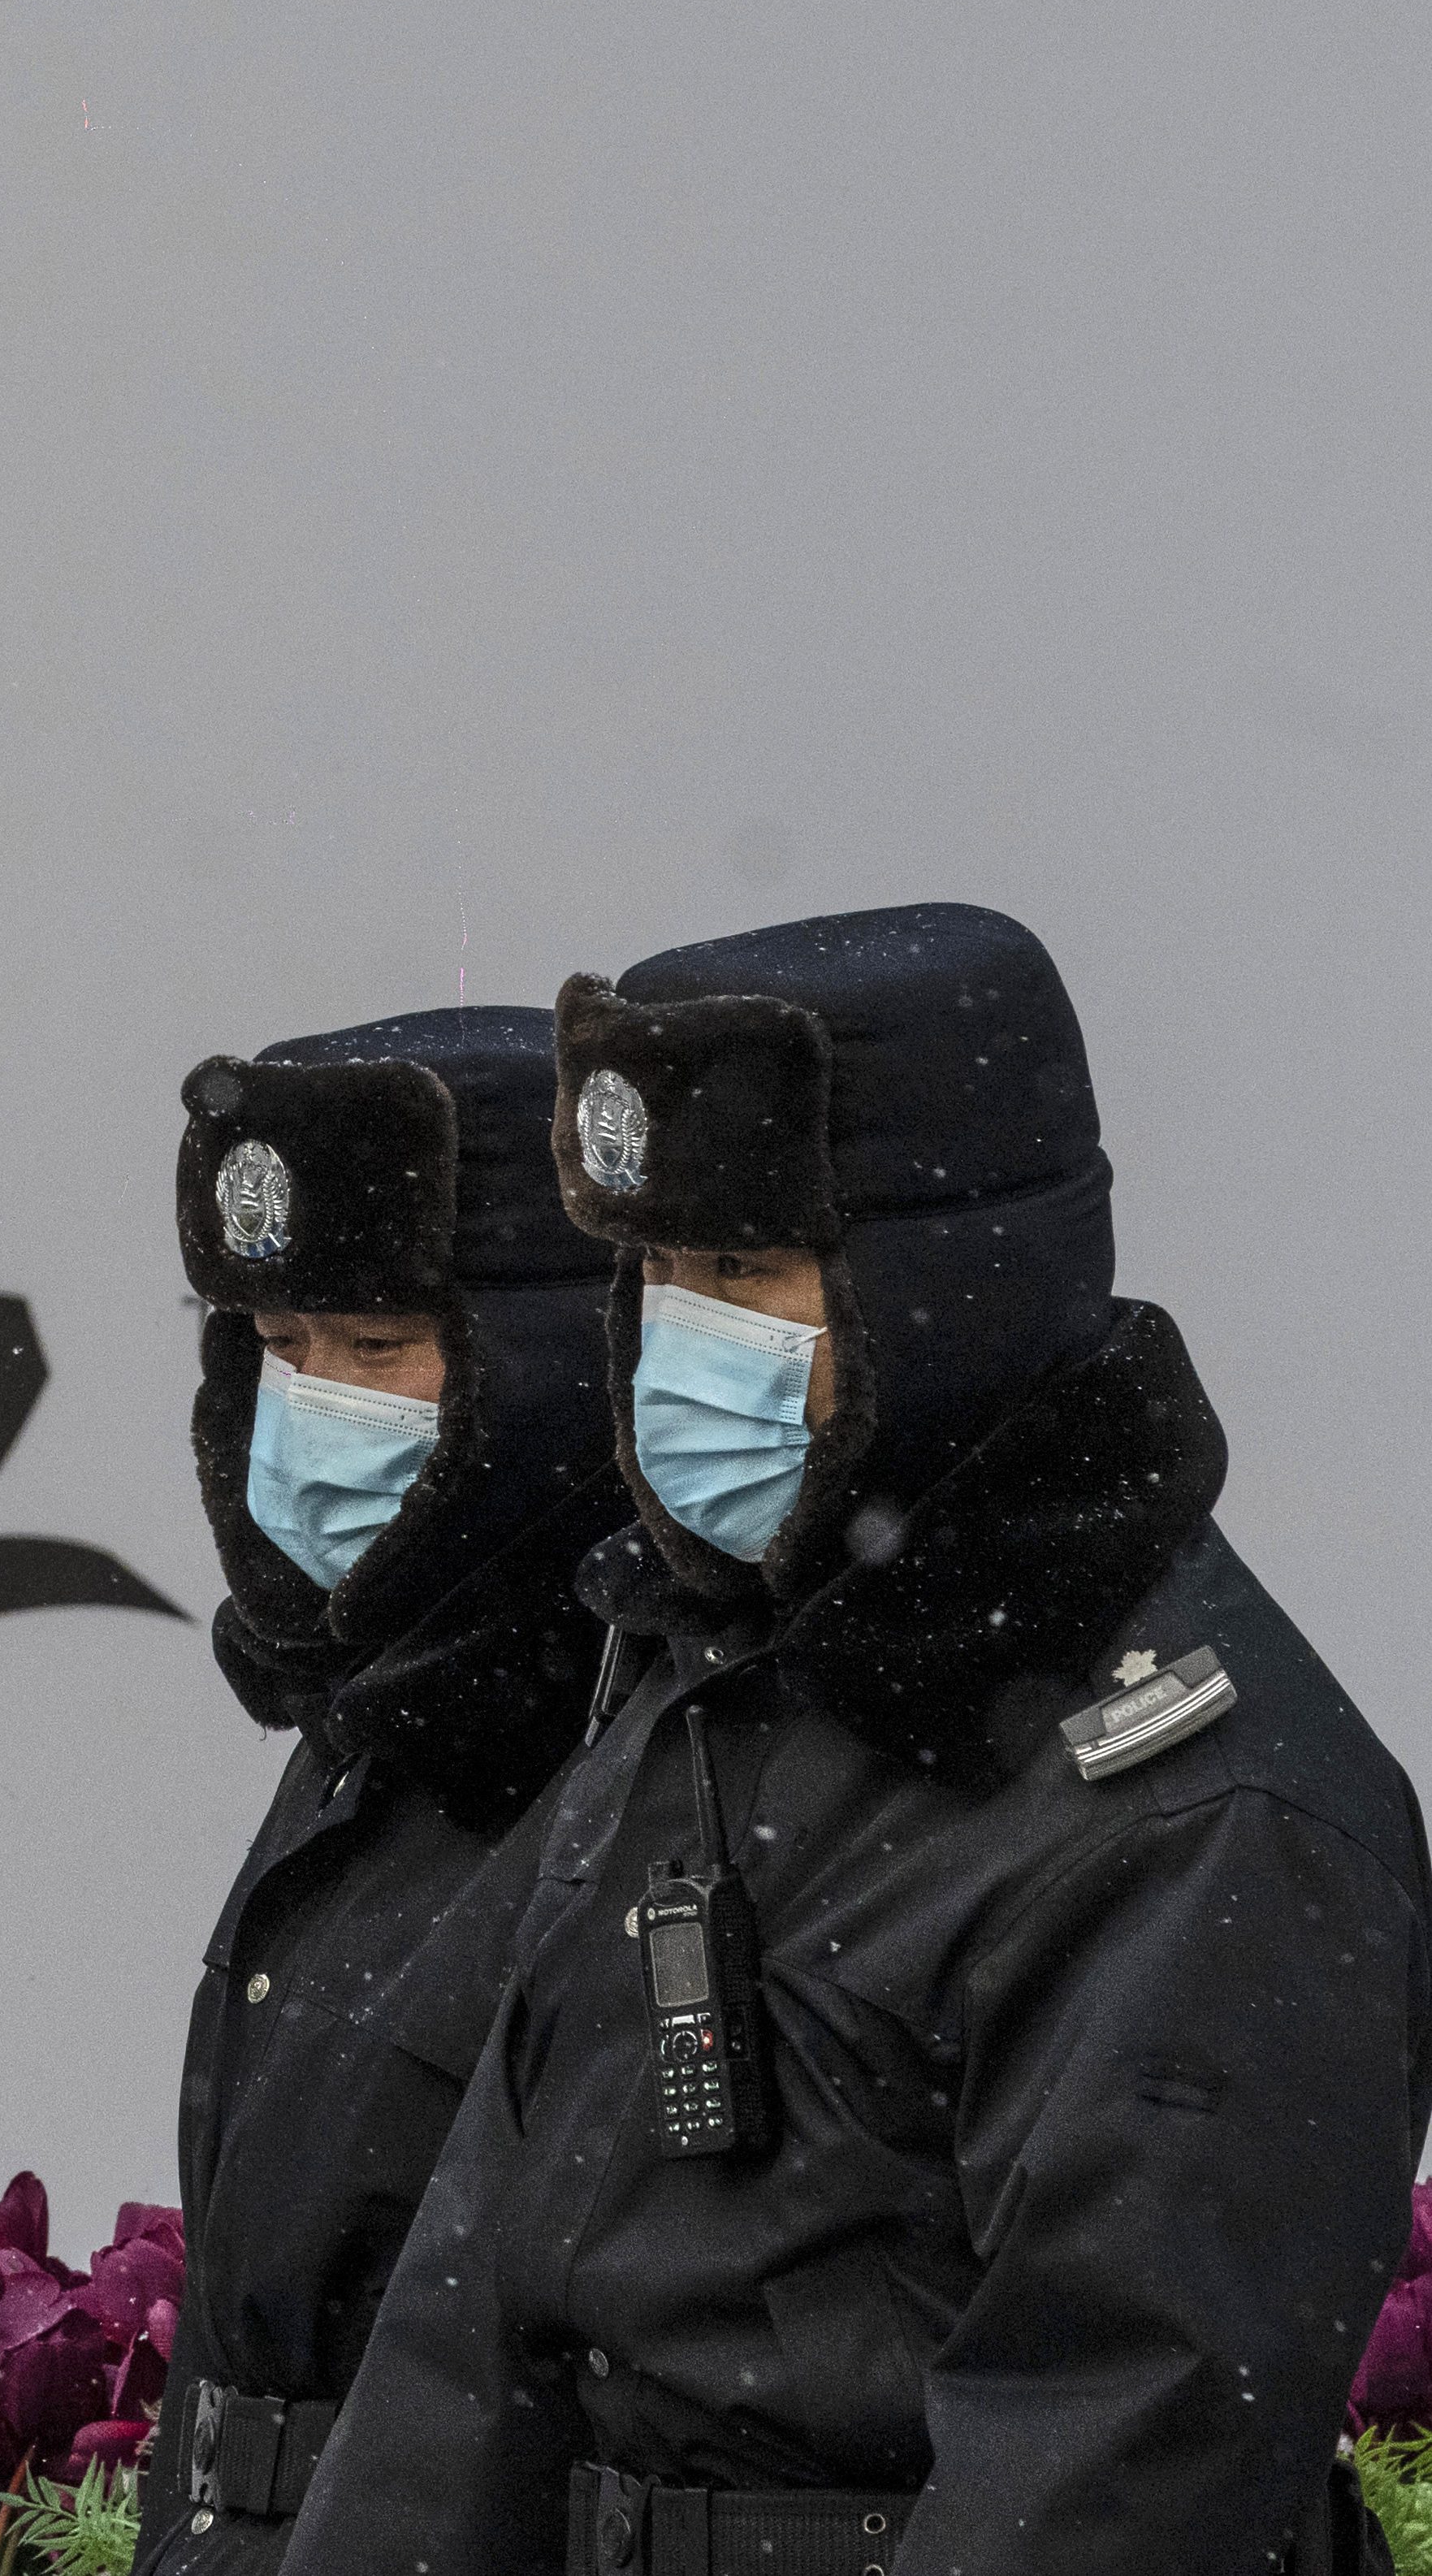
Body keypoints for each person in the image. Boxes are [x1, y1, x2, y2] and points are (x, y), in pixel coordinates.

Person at [286, 903, 1432, 2574]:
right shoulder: (718, 1684)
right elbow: (478, 2333)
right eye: (653, 1268)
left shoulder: (1202, 1808)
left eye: (743, 1268)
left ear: (950, 1273)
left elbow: (1118, 2467)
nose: (680, 1336)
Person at [141, 1007, 622, 2570]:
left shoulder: (625, 1757)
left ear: (540, 1363)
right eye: (277, 1348)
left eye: (375, 1346)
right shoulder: (377, 1714)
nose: (311, 1410)